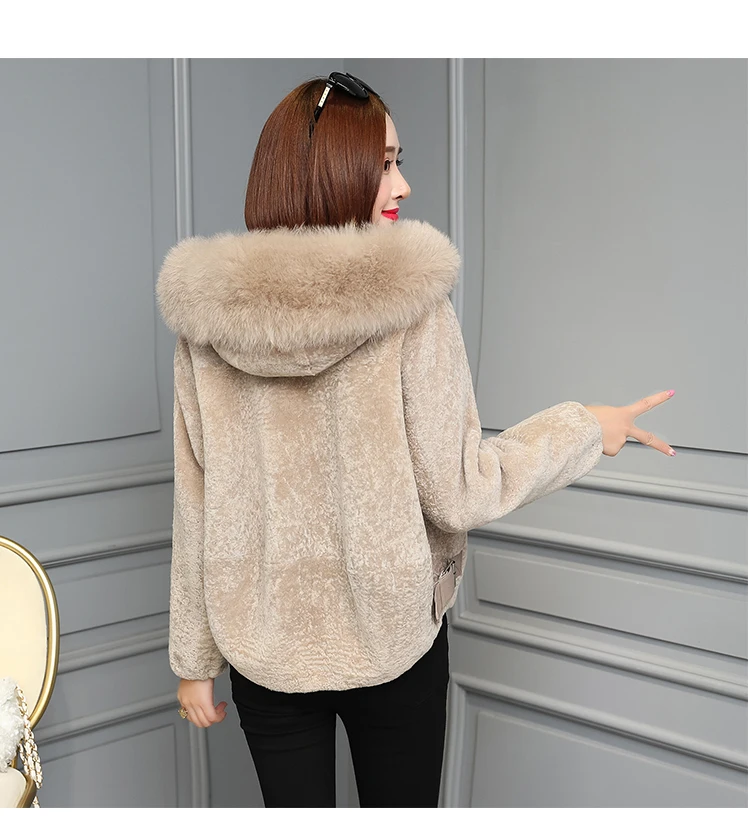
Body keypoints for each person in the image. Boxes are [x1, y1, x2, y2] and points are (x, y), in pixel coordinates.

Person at [155, 71, 676, 808]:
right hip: (393, 641)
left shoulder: (206, 326)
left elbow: (197, 502)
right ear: (332, 172)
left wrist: (193, 660)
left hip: (264, 651)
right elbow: (460, 489)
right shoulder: (413, 308)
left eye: (399, 162)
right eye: (385, 163)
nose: (402, 185)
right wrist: (588, 425)